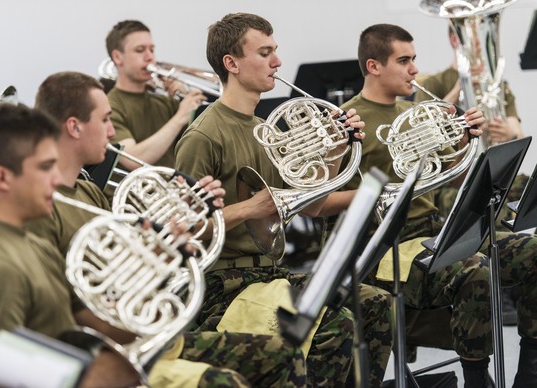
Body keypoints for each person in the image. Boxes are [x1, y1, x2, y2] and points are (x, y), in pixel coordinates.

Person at [27, 71, 307, 387]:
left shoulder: (87, 191)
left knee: (283, 354)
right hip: (102, 354)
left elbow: (124, 262)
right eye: (105, 120)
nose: (111, 132)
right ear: (74, 127)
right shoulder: (41, 208)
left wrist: (173, 233)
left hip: (142, 336)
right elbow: (71, 305)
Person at [175, 12, 393, 387]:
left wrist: (336, 152)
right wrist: (250, 208)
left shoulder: (264, 130)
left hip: (269, 275)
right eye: (264, 53)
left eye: (275, 51)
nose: (277, 62)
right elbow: (185, 230)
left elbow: (313, 205)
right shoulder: (203, 136)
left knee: (374, 303)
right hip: (223, 287)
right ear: (232, 63)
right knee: (335, 322)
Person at [339, 23, 537, 387]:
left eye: (414, 59)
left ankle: (530, 372)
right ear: (374, 66)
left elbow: (455, 178)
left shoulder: (415, 111)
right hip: (385, 247)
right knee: (473, 269)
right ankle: (477, 378)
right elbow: (323, 206)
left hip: (435, 232)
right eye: (404, 60)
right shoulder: (350, 121)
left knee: (533, 251)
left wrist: (463, 141)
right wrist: (384, 194)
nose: (414, 69)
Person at [0, 103, 139, 386]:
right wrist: (94, 377)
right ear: (2, 178)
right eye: (45, 167)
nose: (57, 179)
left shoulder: (29, 241)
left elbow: (89, 321)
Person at [414, 26, 529, 326]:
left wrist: (509, 131)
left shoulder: (497, 83)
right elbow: (421, 128)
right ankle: (502, 282)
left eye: (481, 34)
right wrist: (463, 87)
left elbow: (517, 129)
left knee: (523, 186)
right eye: (472, 34)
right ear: (454, 38)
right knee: (488, 197)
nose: (480, 41)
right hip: (453, 178)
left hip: (491, 164)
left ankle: (522, 276)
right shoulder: (434, 81)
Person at [105, 19, 208, 172]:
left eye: (151, 50)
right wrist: (180, 116)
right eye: (140, 50)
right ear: (118, 57)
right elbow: (133, 159)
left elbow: (203, 142)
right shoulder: (109, 106)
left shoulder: (163, 101)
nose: (150, 57)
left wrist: (184, 96)